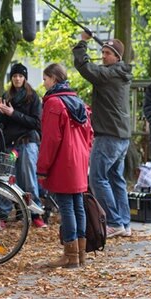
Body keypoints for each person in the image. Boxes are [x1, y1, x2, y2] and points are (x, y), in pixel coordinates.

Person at [73, 33, 133, 238]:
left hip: (109, 135)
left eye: (107, 54)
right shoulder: (119, 73)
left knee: (98, 178)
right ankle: (124, 223)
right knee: (116, 179)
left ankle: (115, 222)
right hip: (121, 136)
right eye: (103, 52)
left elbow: (85, 68)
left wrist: (82, 43)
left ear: (117, 57)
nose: (103, 56)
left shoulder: (109, 74)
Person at [37, 63, 93, 268]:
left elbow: (50, 140)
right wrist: (84, 155)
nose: (43, 84)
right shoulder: (78, 102)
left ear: (53, 79)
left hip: (63, 160)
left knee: (67, 206)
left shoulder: (54, 104)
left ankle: (70, 255)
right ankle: (80, 254)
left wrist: (42, 168)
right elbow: (90, 135)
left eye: (45, 79)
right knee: (78, 204)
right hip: (79, 160)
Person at [0, 63, 46, 228]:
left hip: (27, 143)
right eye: (15, 76)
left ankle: (35, 214)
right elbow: (2, 125)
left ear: (25, 78)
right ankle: (2, 215)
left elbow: (36, 123)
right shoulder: (6, 96)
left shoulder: (33, 97)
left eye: (20, 76)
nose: (17, 79)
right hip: (11, 146)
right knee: (7, 180)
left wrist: (13, 113)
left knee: (29, 180)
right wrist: (2, 114)